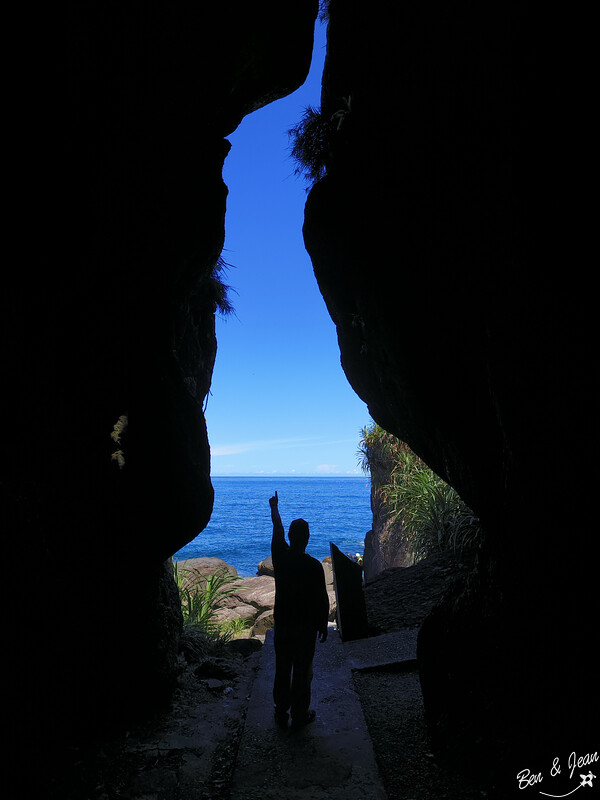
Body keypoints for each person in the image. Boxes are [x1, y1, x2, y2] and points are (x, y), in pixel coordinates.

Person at [268, 491, 329, 729]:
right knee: (303, 671)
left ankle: (281, 711)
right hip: (305, 629)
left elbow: (277, 528)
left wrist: (274, 507)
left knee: (283, 668)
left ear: (291, 538)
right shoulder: (314, 566)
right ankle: (300, 714)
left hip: (283, 624)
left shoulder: (280, 558)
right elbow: (321, 599)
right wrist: (322, 624)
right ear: (308, 538)